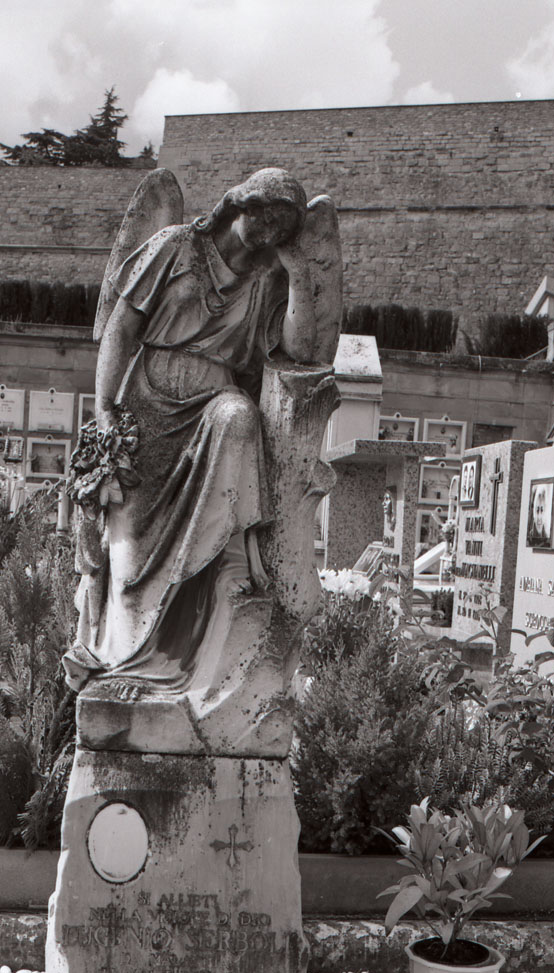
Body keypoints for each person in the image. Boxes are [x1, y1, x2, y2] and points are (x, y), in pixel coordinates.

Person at [63, 168, 318, 694]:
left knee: (238, 418)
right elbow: (120, 328)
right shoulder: (176, 247)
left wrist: (297, 275)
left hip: (212, 406)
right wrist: (105, 408)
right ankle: (122, 653)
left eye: (281, 224)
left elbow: (300, 348)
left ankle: (229, 566)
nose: (268, 228)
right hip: (146, 410)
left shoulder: (268, 279)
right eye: (263, 212)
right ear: (238, 204)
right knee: (128, 551)